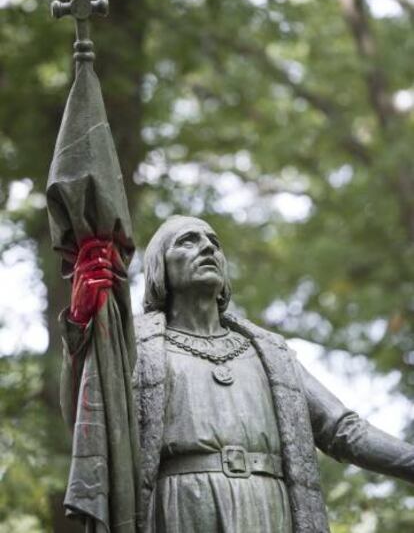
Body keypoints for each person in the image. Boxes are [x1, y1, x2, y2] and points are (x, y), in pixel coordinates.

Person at [60, 215, 414, 533]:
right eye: (188, 240)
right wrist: (80, 328)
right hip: (180, 506)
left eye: (214, 242)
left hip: (268, 506)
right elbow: (88, 414)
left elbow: (342, 430)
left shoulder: (269, 353)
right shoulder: (136, 345)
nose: (207, 248)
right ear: (159, 268)